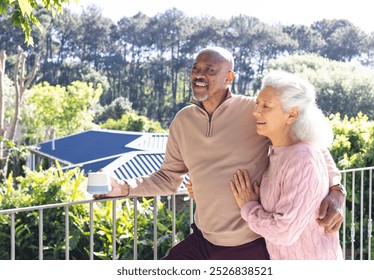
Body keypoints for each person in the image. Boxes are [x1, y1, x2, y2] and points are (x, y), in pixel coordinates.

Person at [94, 46, 345, 260]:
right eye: (196, 69)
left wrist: (336, 191)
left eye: (210, 70)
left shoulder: (254, 112)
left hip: (252, 243)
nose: (200, 75)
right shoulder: (182, 122)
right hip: (203, 237)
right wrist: (124, 189)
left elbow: (309, 146)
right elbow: (168, 178)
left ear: (229, 77)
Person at [230, 71, 344, 259]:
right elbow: (319, 149)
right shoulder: (279, 149)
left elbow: (284, 232)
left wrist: (249, 207)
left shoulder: (302, 160)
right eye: (257, 103)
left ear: (292, 114)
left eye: (266, 106)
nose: (255, 111)